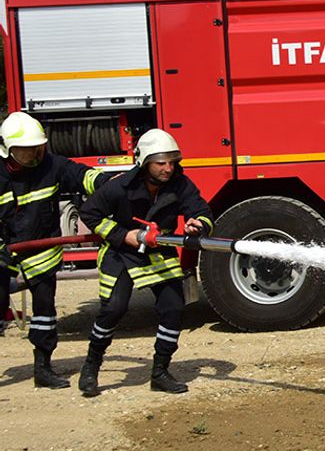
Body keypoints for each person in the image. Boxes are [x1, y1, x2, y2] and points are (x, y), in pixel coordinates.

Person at [76, 129, 213, 396]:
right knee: (113, 309)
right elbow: (89, 213)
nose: (168, 168)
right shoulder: (119, 187)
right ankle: (91, 367)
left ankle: (160, 372)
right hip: (121, 253)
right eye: (160, 162)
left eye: (172, 162)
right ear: (145, 162)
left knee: (173, 308)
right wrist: (122, 235)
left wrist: (199, 225)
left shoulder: (180, 185)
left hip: (158, 252)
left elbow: (202, 210)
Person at [0, 112, 109, 388]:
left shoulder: (50, 165)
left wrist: (109, 185)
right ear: (7, 151)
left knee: (45, 313)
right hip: (4, 253)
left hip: (41, 252)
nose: (35, 156)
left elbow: (82, 175)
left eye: (38, 148)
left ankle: (43, 369)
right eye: (26, 152)